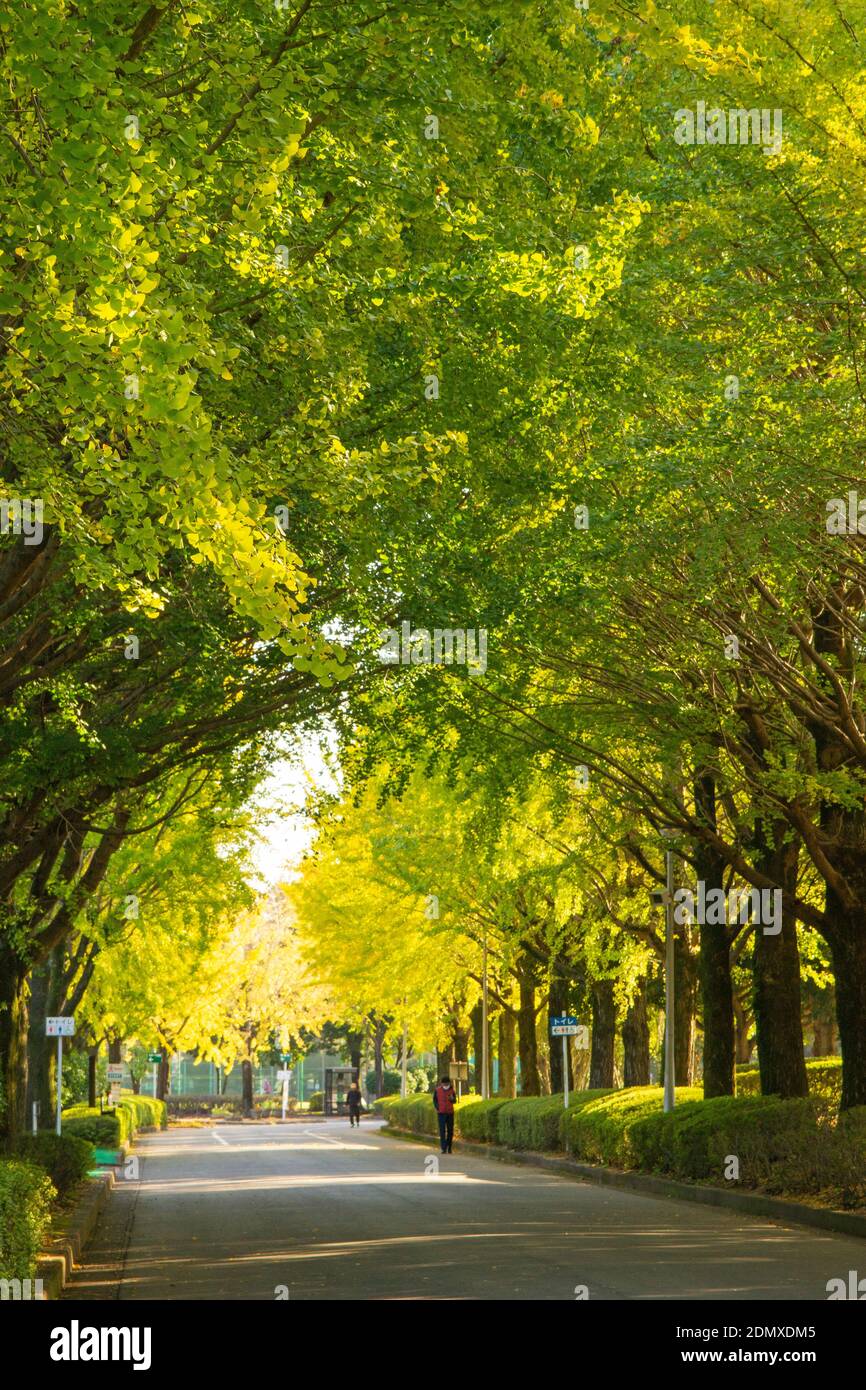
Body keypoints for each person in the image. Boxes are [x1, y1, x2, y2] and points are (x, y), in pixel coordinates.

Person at [432, 1076, 457, 1153]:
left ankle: (449, 1147)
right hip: (441, 1113)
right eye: (444, 1084)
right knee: (442, 1131)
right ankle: (443, 1148)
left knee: (450, 1131)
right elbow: (434, 1100)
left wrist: (452, 1099)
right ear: (441, 1083)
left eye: (447, 1083)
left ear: (449, 1083)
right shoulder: (437, 1090)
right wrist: (437, 1107)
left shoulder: (452, 1090)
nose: (445, 1085)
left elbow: (454, 1101)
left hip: (450, 1113)